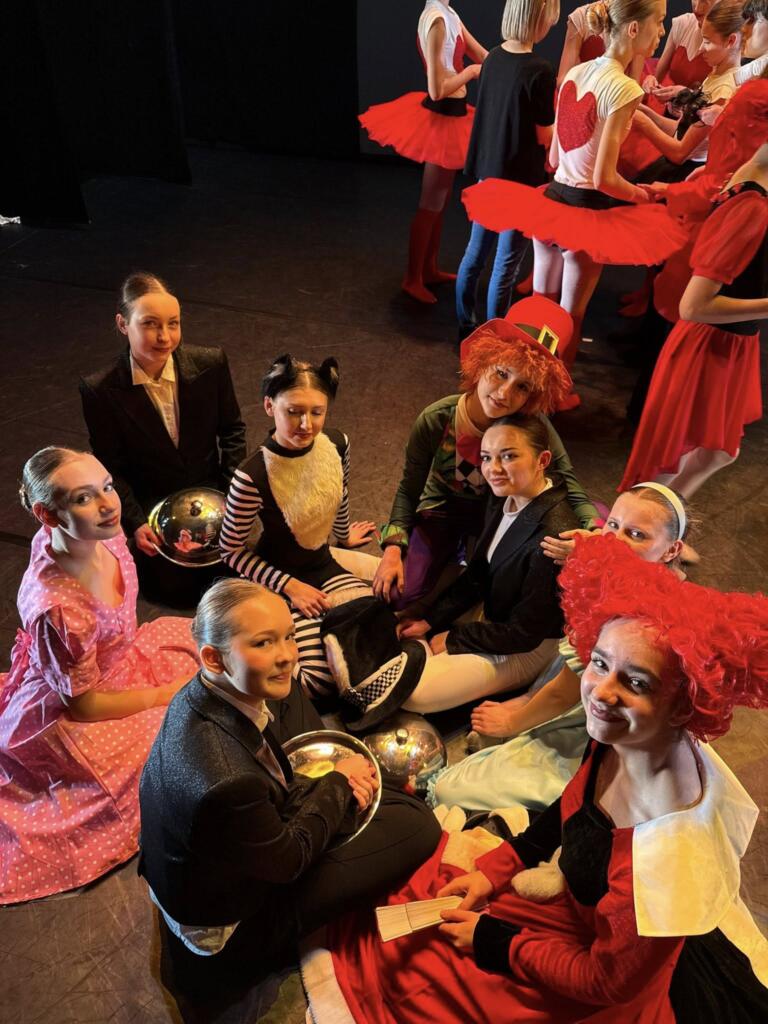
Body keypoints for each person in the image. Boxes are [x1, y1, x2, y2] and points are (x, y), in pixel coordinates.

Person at [308, 535, 768, 1024]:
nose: (601, 693)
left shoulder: (669, 855)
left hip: (593, 982)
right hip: (575, 918)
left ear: (683, 704)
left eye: (636, 682)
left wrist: (497, 944)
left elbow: (604, 981)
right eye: (599, 663)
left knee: (420, 982)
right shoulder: (624, 737)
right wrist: (496, 869)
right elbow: (573, 806)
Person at [138, 579, 440, 1000]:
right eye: (263, 643)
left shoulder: (197, 692)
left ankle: (355, 788)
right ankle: (358, 790)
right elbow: (288, 860)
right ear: (213, 657)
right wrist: (338, 784)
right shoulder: (228, 781)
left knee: (286, 690)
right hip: (234, 927)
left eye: (289, 636)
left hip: (220, 850)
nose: (287, 655)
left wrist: (335, 788)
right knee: (418, 825)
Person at [0, 448, 198, 905]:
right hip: (80, 708)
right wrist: (162, 695)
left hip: (120, 662)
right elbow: (83, 704)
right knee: (175, 731)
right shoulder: (59, 609)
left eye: (107, 487)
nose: (109, 505)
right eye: (84, 498)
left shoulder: (101, 534)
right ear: (48, 515)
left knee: (200, 646)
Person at [429, 483, 691, 811]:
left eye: (636, 535)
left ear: (671, 550)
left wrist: (514, 722)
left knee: (452, 790)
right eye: (612, 525)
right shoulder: (629, 574)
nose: (615, 541)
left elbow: (566, 691)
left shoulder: (637, 618)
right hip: (573, 682)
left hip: (598, 713)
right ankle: (531, 708)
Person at [463, 1, 688, 383]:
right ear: (633, 29)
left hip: (552, 204)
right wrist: (641, 196)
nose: (662, 32)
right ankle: (555, 393)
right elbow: (604, 179)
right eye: (659, 22)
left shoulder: (575, 73)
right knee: (570, 316)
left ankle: (526, 385)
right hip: (586, 213)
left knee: (540, 306)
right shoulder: (625, 88)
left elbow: (553, 156)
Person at [372, 299, 597, 611]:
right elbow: (409, 488)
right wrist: (393, 547)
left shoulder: (531, 425)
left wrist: (595, 530)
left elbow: (568, 480)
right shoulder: (437, 419)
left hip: (498, 517)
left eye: (522, 387)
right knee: (398, 594)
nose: (504, 393)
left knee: (504, 597)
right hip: (442, 510)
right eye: (501, 373)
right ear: (483, 363)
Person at [391, 414, 582, 713]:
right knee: (402, 598)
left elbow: (523, 634)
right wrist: (431, 620)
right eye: (486, 457)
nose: (493, 469)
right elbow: (478, 572)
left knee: (415, 695)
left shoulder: (555, 536)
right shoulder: (504, 494)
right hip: (496, 609)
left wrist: (455, 638)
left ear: (543, 460)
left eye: (508, 456)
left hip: (527, 645)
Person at [79, 271, 246, 608]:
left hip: (213, 500)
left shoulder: (211, 363)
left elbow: (232, 431)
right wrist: (136, 522)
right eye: (150, 324)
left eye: (174, 324)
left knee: (231, 591)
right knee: (174, 595)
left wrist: (232, 498)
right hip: (154, 512)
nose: (165, 337)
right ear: (123, 324)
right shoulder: (100, 390)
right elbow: (110, 467)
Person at [219, 353, 378, 699]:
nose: (306, 424)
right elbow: (229, 551)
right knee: (318, 682)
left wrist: (343, 534)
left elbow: (337, 491)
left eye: (316, 412)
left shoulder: (337, 443)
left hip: (322, 565)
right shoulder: (252, 474)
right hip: (277, 578)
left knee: (374, 627)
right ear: (269, 406)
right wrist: (290, 587)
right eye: (293, 412)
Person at [620, 138, 768, 497]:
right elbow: (694, 306)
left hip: (734, 342)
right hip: (709, 343)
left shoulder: (756, 177)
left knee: (719, 452)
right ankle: (639, 521)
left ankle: (666, 517)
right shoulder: (754, 206)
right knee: (670, 459)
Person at [359, 1, 487, 303]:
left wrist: (512, 60)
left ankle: (428, 269)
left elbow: (483, 55)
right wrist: (470, 72)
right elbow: (436, 89)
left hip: (454, 114)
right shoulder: (437, 20)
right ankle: (413, 277)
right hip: (442, 117)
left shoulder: (449, 14)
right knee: (431, 202)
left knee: (439, 200)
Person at [456, 0, 559, 339]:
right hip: (521, 181)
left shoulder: (493, 59)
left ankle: (466, 327)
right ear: (539, 18)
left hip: (488, 173)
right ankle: (495, 338)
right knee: (505, 266)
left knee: (475, 254)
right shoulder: (541, 70)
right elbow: (543, 134)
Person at [632, 0, 746, 181]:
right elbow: (680, 129)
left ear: (731, 41)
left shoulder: (724, 89)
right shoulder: (716, 75)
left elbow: (679, 153)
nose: (700, 49)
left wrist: (642, 122)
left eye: (707, 42)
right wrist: (644, 111)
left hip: (685, 170)